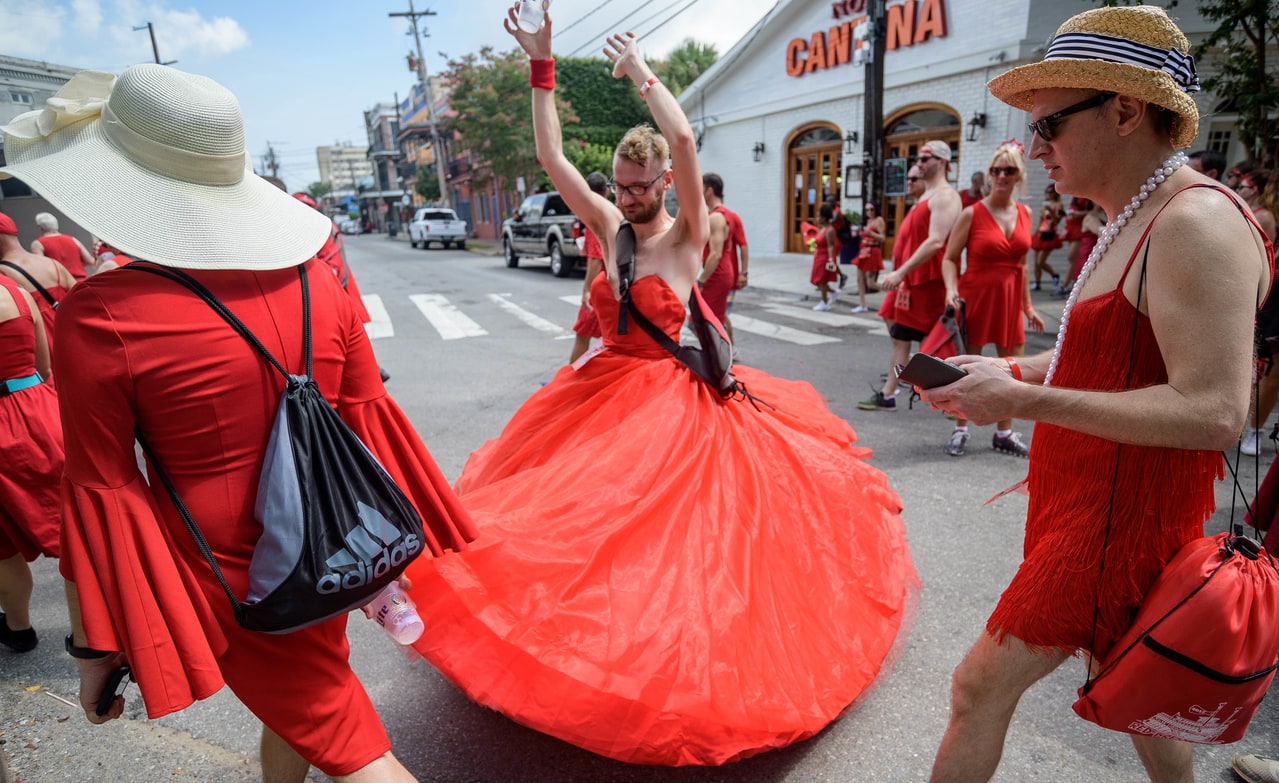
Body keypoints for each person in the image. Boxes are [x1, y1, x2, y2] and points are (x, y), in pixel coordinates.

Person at [402, 7, 918, 767]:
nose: (630, 195)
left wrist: (641, 72)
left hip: (669, 406)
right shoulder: (607, 222)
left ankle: (662, 674)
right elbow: (551, 158)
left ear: (664, 186)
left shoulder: (683, 234)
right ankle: (569, 651)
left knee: (680, 551)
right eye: (623, 184)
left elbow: (682, 139)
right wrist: (540, 67)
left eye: (641, 186)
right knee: (566, 530)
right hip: (598, 394)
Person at [2, 64, 477, 783]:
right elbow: (365, 417)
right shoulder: (321, 278)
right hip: (332, 544)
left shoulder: (104, 314)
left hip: (232, 573)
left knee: (343, 737)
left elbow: (101, 489)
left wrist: (96, 650)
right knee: (306, 702)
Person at [919, 7, 1271, 782]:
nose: (1032, 147)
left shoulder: (1194, 222)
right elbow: (1097, 357)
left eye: (1047, 126)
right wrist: (1005, 374)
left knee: (977, 686)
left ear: (1124, 110)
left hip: (1116, 524)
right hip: (1084, 503)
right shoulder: (1133, 214)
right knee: (1132, 678)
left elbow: (1215, 411)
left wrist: (1027, 402)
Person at [940, 142, 1043, 458]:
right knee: (967, 366)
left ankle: (1004, 432)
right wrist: (950, 289)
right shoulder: (972, 213)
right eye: (996, 170)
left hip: (1010, 299)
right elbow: (950, 257)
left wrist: (1027, 306)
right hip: (976, 297)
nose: (1001, 176)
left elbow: (1023, 264)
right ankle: (960, 428)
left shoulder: (1025, 212)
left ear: (1018, 176)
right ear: (989, 175)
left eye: (1008, 170)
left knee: (1013, 368)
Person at [859, 141, 962, 411]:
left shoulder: (946, 196)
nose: (920, 162)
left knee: (939, 345)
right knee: (900, 337)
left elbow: (936, 242)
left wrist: (901, 272)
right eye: (919, 157)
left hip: (930, 283)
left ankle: (955, 400)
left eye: (926, 158)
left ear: (942, 162)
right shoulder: (924, 198)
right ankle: (888, 393)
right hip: (911, 283)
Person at [0, 273, 61, 654]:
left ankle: (19, 628)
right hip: (39, 413)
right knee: (76, 527)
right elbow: (44, 364)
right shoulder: (18, 293)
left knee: (2, 547)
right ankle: (109, 631)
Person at [1237, 168, 1279, 456]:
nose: (1238, 189)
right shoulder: (1262, 214)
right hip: (1272, 296)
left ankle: (1253, 428)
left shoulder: (1264, 213)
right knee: (1269, 368)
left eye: (1243, 185)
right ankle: (1253, 429)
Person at [0, 212, 75, 355]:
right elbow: (82, 301)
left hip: (41, 355)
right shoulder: (53, 264)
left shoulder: (3, 276)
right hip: (71, 345)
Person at [700, 172, 747, 340]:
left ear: (709, 191)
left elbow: (717, 253)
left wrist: (701, 280)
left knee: (702, 320)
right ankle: (726, 352)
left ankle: (722, 354)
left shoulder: (717, 217)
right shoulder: (726, 216)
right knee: (718, 316)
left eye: (701, 188)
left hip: (718, 274)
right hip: (724, 273)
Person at [569, 171, 609, 363]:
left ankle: (569, 382)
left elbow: (595, 258)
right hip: (614, 286)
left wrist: (586, 290)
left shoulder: (596, 216)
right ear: (607, 191)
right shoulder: (612, 213)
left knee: (582, 334)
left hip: (600, 289)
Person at [30, 212, 94, 280]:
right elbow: (90, 260)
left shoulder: (38, 244)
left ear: (40, 227)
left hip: (61, 284)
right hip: (81, 281)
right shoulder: (73, 239)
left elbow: (42, 267)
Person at [1028, 184, 1064, 291]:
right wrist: (1037, 231)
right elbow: (1041, 220)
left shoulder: (1059, 205)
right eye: (1047, 192)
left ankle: (1054, 275)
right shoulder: (1045, 205)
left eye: (1051, 192)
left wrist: (1051, 211)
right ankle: (1037, 283)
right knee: (1036, 262)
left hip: (1050, 234)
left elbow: (1057, 221)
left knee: (1041, 261)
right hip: (1041, 233)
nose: (1049, 194)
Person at [853, 200, 886, 313]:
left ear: (876, 209)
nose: (869, 212)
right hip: (863, 251)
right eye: (867, 209)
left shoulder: (879, 220)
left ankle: (890, 291)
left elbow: (882, 238)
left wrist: (871, 233)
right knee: (859, 279)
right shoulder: (868, 221)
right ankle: (862, 305)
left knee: (870, 283)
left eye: (871, 209)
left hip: (872, 251)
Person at [809, 203, 841, 311]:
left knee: (822, 280)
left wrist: (831, 260)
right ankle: (832, 292)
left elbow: (831, 246)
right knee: (817, 280)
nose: (817, 219)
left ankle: (824, 302)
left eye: (819, 216)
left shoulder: (830, 230)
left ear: (825, 218)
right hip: (818, 256)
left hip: (825, 257)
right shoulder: (821, 229)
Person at [1058, 195, 1092, 295]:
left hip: (1079, 228)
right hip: (1072, 227)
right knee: (1074, 259)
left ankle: (1066, 284)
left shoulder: (1086, 195)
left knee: (1072, 257)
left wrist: (1077, 214)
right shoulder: (1076, 195)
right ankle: (1071, 284)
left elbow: (1092, 211)